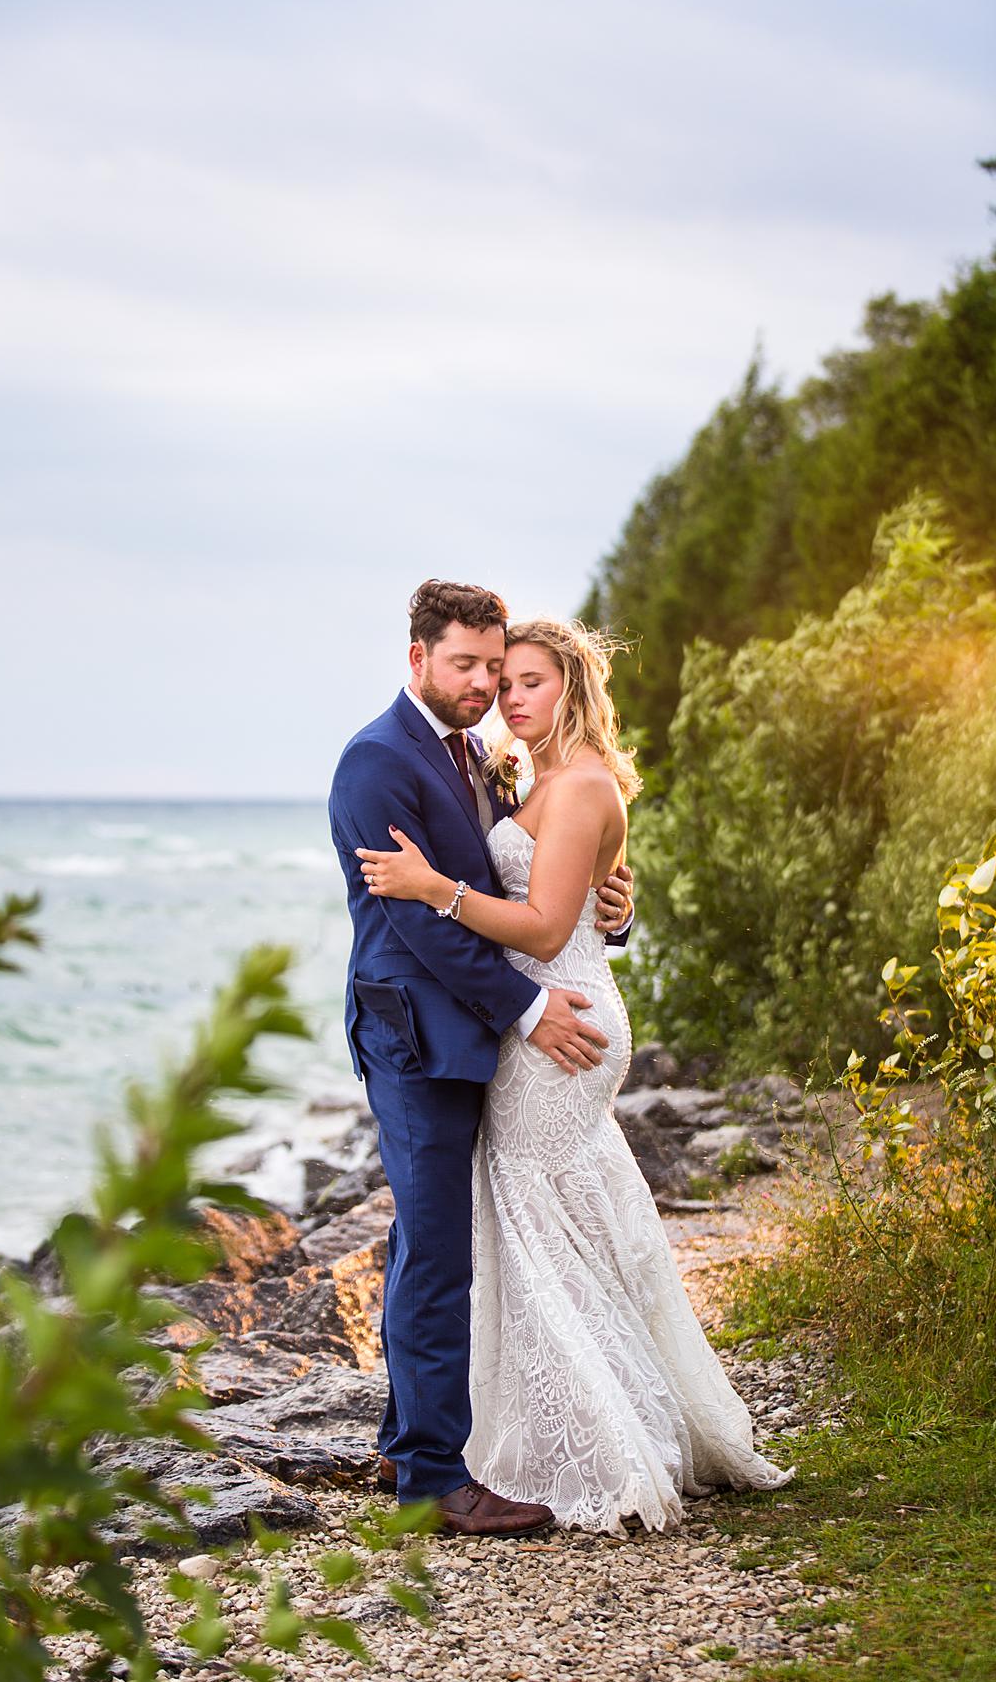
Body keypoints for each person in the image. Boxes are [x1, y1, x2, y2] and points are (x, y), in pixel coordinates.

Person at [357, 615, 793, 1534]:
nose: (503, 695)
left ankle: (572, 1438)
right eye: (490, 676)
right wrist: (610, 915)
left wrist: (438, 889)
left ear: (572, 688)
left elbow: (550, 927)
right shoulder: (494, 768)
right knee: (540, 1218)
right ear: (423, 661)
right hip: (528, 1023)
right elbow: (575, 899)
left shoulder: (575, 779)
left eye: (522, 680)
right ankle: (462, 1442)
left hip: (560, 1028)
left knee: (522, 1217)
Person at [328, 581, 634, 1538]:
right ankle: (430, 1478)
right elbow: (415, 922)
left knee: (427, 1243)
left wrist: (612, 909)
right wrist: (530, 1005)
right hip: (417, 1038)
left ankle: (402, 1441)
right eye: (465, 665)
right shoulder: (377, 763)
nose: (484, 685)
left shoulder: (486, 759)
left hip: (476, 1034)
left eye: (495, 669)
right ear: (416, 657)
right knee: (439, 1253)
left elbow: (548, 880)